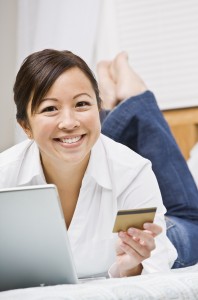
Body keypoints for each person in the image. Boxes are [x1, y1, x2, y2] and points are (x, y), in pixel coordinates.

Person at [0, 49, 176, 280]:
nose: (69, 122)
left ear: (98, 108)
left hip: (174, 233)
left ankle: (136, 93)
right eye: (50, 108)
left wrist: (132, 266)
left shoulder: (131, 171)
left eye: (82, 103)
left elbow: (154, 269)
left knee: (190, 219)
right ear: (26, 127)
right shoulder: (5, 173)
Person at [97, 51, 198, 269]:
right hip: (136, 235)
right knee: (192, 219)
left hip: (131, 234)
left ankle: (129, 100)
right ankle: (130, 99)